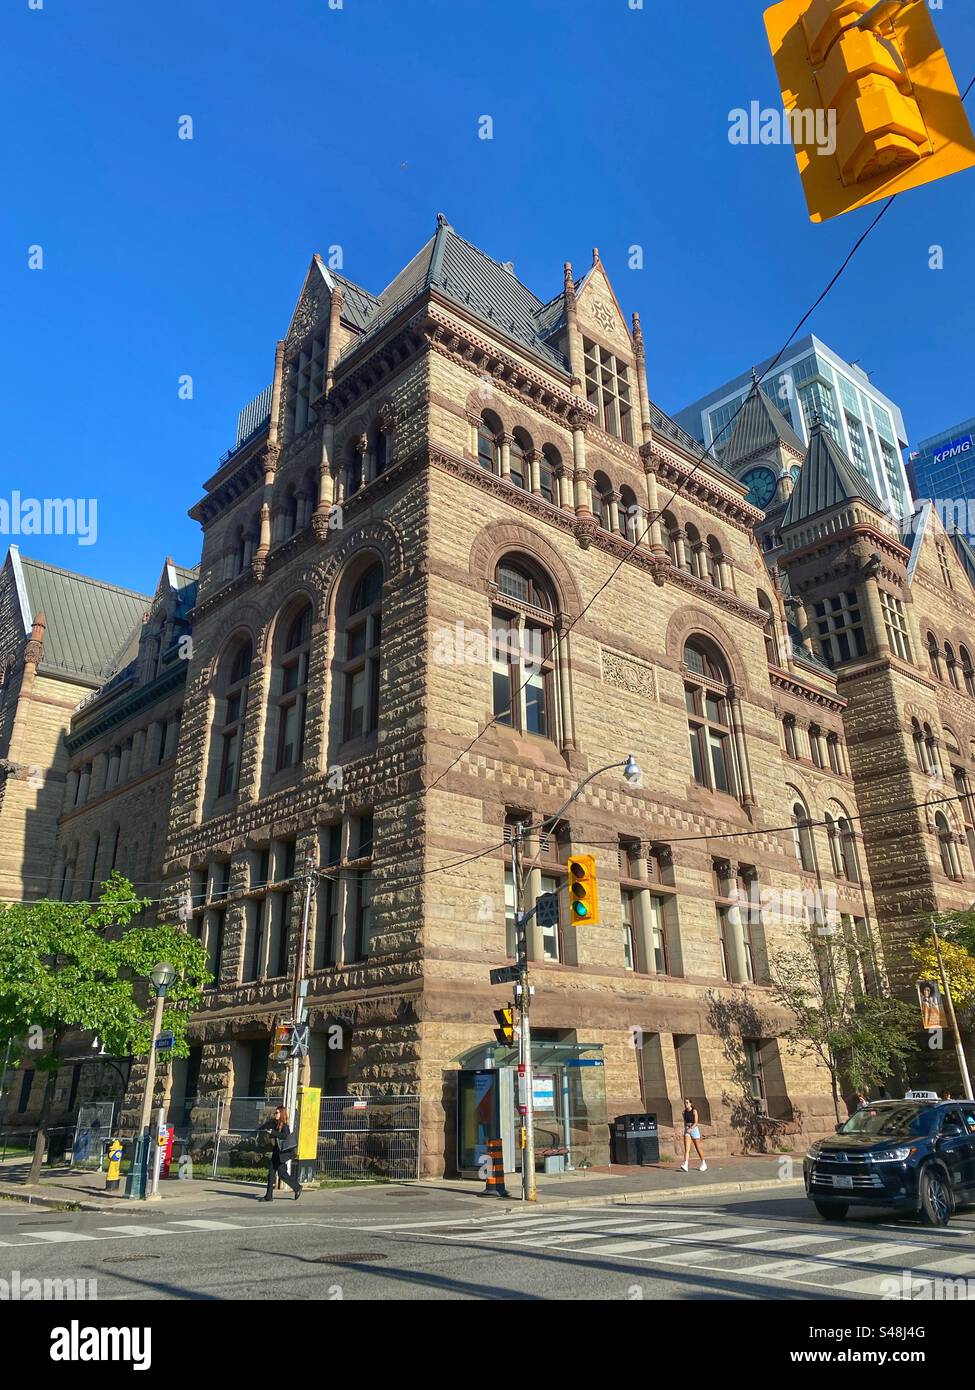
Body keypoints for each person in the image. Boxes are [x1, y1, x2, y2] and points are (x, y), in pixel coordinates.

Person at [259, 1106, 302, 1201]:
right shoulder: (276, 1124)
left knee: (282, 1174)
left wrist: (273, 1132)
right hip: (276, 1152)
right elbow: (274, 1133)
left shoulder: (285, 1126)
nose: (275, 1114)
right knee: (271, 1174)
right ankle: (268, 1196)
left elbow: (285, 1136)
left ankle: (297, 1187)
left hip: (282, 1154)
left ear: (281, 1114)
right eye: (275, 1113)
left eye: (277, 1113)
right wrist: (270, 1131)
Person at [680, 1098, 707, 1172]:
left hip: (694, 1130)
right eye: (685, 1103)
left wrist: (691, 1128)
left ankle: (703, 1162)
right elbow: (685, 1122)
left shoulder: (694, 1111)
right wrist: (686, 1128)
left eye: (687, 1103)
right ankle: (685, 1164)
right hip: (687, 1130)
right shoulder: (684, 1112)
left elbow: (696, 1122)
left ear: (690, 1103)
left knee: (698, 1148)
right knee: (687, 1149)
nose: (686, 1104)